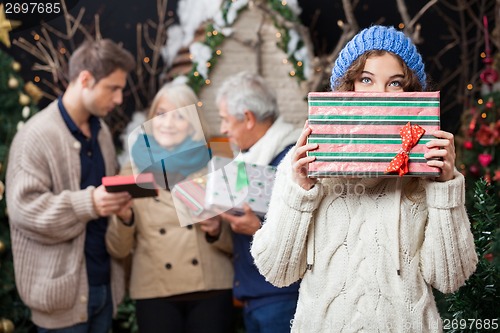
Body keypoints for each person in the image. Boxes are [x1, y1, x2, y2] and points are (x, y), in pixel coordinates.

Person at [250, 25, 478, 333]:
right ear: (347, 87)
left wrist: (445, 188)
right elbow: (277, 271)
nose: (379, 95)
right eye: (366, 80)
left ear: (411, 95)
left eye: (395, 83)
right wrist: (300, 190)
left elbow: (450, 279)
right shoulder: (302, 167)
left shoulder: (428, 174)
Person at [6, 39, 136, 332]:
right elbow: (23, 210)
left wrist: (122, 208)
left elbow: (106, 199)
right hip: (60, 299)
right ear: (85, 80)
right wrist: (89, 203)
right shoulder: (36, 136)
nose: (118, 99)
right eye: (112, 88)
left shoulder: (101, 132)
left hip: (103, 288)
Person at [105, 82, 235, 333]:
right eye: (161, 113)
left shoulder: (217, 166)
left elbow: (242, 241)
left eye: (180, 116)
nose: (168, 123)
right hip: (155, 291)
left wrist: (216, 230)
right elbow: (117, 248)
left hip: (210, 288)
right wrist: (124, 219)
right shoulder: (130, 171)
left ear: (193, 123)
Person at [210, 71, 302, 333]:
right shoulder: (246, 160)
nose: (223, 129)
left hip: (283, 299)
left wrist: (257, 230)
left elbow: (307, 233)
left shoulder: (291, 159)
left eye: (225, 120)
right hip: (256, 298)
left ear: (248, 118)